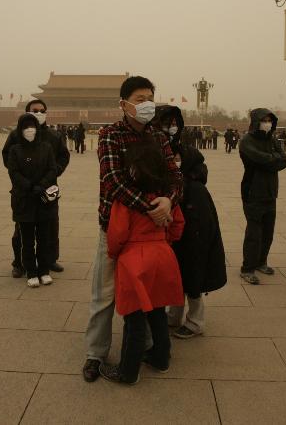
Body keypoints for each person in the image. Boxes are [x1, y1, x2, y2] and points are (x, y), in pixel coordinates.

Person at [82, 76, 182, 382]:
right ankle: (95, 354)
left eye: (150, 98)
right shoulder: (110, 135)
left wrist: (169, 199)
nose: (147, 104)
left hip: (151, 233)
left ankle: (147, 347)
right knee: (105, 294)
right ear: (124, 104)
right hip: (115, 228)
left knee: (148, 293)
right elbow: (112, 181)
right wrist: (153, 208)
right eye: (140, 99)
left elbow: (175, 177)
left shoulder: (160, 137)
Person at [99, 141, 184, 384]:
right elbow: (178, 225)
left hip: (134, 259)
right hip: (163, 255)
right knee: (158, 312)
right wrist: (165, 239)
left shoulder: (127, 200)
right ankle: (160, 358)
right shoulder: (166, 198)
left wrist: (116, 255)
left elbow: (116, 235)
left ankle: (127, 371)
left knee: (134, 319)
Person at [2, 99, 70, 278]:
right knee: (22, 229)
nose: (39, 113)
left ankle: (49, 260)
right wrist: (23, 179)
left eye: (42, 110)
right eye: (35, 110)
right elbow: (6, 156)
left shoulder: (54, 136)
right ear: (27, 112)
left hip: (48, 188)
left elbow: (64, 156)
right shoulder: (17, 135)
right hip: (24, 190)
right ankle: (19, 263)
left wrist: (55, 172)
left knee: (50, 226)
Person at [168, 146, 227, 337]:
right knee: (177, 281)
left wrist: (198, 246)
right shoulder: (178, 183)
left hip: (194, 244)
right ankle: (174, 316)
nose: (175, 162)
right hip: (179, 241)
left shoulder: (195, 187)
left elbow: (203, 223)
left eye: (178, 159)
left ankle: (195, 322)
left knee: (193, 284)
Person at [239, 108, 286, 284]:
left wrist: (270, 160)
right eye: (264, 120)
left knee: (268, 232)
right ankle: (247, 268)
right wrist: (272, 159)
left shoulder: (273, 139)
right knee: (254, 233)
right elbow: (257, 158)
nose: (267, 123)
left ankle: (261, 262)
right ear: (256, 121)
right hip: (253, 192)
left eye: (269, 120)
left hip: (270, 192)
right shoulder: (246, 141)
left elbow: (284, 160)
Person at [7, 113, 57, 287]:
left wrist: (41, 185)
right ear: (20, 130)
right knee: (27, 240)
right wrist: (29, 186)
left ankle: (44, 271)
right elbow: (13, 172)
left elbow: (52, 169)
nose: (29, 129)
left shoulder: (46, 147)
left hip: (43, 199)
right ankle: (31, 271)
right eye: (25, 126)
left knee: (44, 238)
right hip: (24, 200)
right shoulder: (15, 150)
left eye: (32, 126)